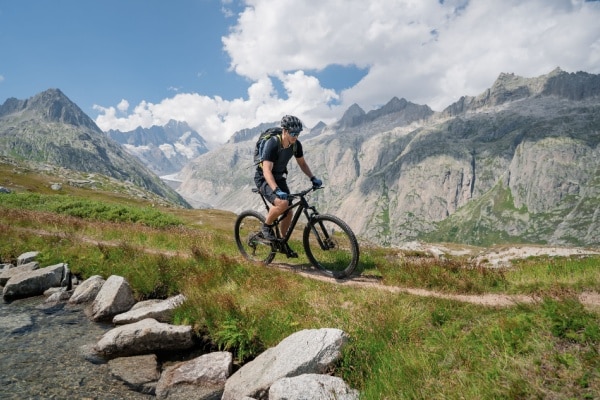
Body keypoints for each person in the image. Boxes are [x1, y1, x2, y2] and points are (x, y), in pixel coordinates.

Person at [254, 115, 322, 255]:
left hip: (279, 177)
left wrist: (312, 177)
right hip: (264, 178)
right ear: (284, 131)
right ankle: (266, 227)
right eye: (292, 133)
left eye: (298, 133)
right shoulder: (273, 143)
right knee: (282, 204)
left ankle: (282, 242)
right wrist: (276, 190)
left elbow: (302, 163)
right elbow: (266, 170)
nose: (295, 136)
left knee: (289, 211)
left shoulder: (296, 145)